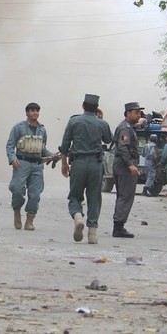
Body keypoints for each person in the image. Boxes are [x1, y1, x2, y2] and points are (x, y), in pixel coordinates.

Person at [59, 94, 112, 244]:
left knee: (75, 196)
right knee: (94, 197)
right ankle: (92, 234)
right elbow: (109, 139)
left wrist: (64, 163)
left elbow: (64, 146)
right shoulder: (101, 123)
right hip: (96, 165)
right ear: (97, 108)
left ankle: (78, 218)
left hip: (78, 164)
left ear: (82, 106)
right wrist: (101, 119)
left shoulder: (73, 121)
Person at [6, 102, 59, 231]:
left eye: (37, 110)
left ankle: (30, 220)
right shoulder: (18, 128)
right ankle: (17, 211)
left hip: (37, 165)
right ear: (27, 113)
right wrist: (12, 158)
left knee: (35, 194)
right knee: (18, 189)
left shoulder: (42, 129)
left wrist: (52, 155)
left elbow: (42, 149)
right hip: (21, 163)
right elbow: (10, 145)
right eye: (32, 110)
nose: (35, 112)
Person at [111, 102, 143, 238]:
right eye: (136, 112)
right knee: (126, 195)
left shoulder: (129, 127)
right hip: (125, 166)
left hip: (122, 164)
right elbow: (123, 147)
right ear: (128, 113)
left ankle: (118, 225)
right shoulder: (125, 128)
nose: (139, 115)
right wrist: (130, 165)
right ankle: (118, 227)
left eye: (139, 112)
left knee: (122, 195)